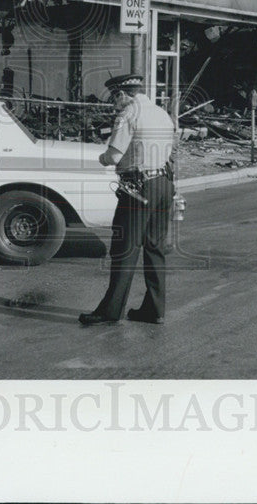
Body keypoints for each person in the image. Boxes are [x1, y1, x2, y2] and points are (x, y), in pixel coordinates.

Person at [79, 74, 177, 327]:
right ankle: (155, 310)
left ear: (123, 95)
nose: (113, 104)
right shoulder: (161, 113)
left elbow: (113, 156)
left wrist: (101, 157)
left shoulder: (128, 114)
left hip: (138, 188)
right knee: (155, 249)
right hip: (164, 184)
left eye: (114, 98)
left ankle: (110, 311)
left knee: (125, 249)